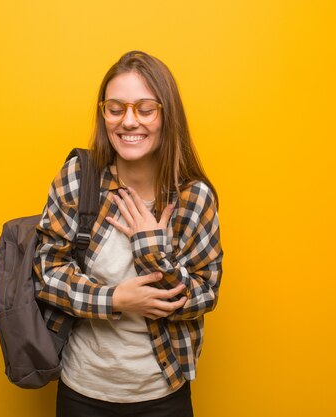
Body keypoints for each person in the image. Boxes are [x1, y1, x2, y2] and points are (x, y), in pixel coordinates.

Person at [33, 50, 223, 417]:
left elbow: (206, 294)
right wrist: (116, 299)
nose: (129, 121)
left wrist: (151, 247)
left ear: (167, 115)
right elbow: (47, 273)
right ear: (103, 113)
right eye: (115, 108)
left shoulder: (193, 197)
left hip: (162, 392)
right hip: (82, 390)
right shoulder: (78, 178)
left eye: (145, 108)